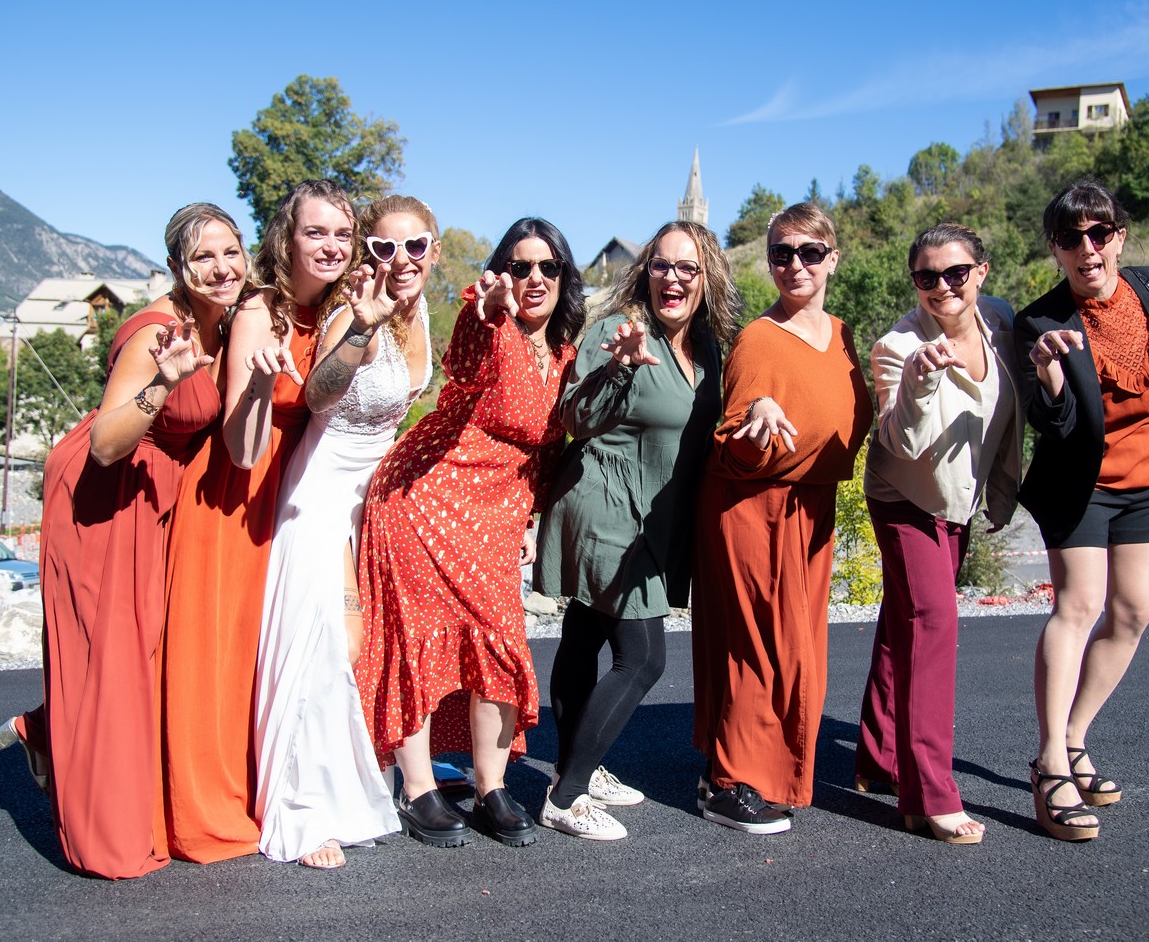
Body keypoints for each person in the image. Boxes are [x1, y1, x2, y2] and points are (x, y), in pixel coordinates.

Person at [0, 202, 249, 879]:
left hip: (154, 497)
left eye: (230, 251)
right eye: (203, 256)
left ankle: (44, 730)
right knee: (112, 658)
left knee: (140, 653)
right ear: (176, 267)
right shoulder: (156, 332)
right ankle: (103, 834)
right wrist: (163, 384)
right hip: (104, 497)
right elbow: (106, 443)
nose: (221, 267)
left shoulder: (228, 317)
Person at [355, 217, 585, 848]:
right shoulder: (489, 322)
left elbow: (548, 449)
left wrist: (532, 516)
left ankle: (492, 788)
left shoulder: (565, 352)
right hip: (425, 499)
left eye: (548, 267)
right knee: (419, 642)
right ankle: (418, 789)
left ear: (564, 277)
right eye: (519, 266)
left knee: (498, 643)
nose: (533, 278)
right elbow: (461, 363)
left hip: (497, 513)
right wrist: (485, 311)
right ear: (500, 274)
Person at [160, 181, 356, 864]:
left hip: (297, 496)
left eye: (342, 233)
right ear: (286, 238)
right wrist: (260, 389)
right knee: (225, 655)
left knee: (280, 654)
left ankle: (281, 793)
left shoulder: (337, 310)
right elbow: (242, 447)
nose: (330, 245)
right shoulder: (261, 310)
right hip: (235, 495)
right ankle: (215, 808)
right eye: (315, 232)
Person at [534, 220, 738, 841]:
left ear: (707, 278)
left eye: (687, 267)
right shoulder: (617, 332)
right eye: (661, 265)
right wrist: (617, 368)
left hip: (653, 511)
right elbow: (575, 417)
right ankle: (566, 795)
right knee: (643, 657)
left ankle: (575, 765)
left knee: (583, 635)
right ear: (645, 271)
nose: (672, 277)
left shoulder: (705, 346)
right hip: (604, 504)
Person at [253, 194, 437, 868]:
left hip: (371, 502)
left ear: (433, 251)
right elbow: (319, 394)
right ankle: (302, 810)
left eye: (415, 246)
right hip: (323, 496)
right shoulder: (351, 313)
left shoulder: (420, 316)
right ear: (369, 253)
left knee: (359, 646)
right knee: (331, 641)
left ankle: (350, 781)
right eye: (385, 247)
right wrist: (361, 329)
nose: (401, 259)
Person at [692, 202, 871, 835]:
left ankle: (759, 769)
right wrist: (757, 413)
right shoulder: (758, 338)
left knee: (798, 647)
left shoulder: (844, 336)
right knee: (757, 645)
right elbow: (728, 442)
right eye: (781, 253)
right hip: (752, 506)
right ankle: (729, 784)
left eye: (809, 252)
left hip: (812, 508)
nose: (795, 265)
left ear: (832, 259)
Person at [1017, 178, 1149, 842]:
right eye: (1070, 238)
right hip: (1081, 483)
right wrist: (1049, 374)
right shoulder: (1040, 322)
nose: (1087, 248)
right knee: (1079, 606)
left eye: (1099, 233)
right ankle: (1050, 763)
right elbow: (1055, 425)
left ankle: (1076, 736)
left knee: (1135, 610)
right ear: (1054, 249)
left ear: (1119, 236)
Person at [852, 223, 1022, 845]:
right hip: (905, 497)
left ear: (981, 272)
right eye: (927, 276)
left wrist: (1000, 491)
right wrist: (919, 385)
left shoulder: (999, 322)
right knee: (933, 627)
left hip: (958, 500)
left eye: (956, 273)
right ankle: (929, 794)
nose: (942, 287)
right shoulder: (898, 347)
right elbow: (902, 442)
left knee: (906, 623)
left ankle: (878, 757)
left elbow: (1007, 413)